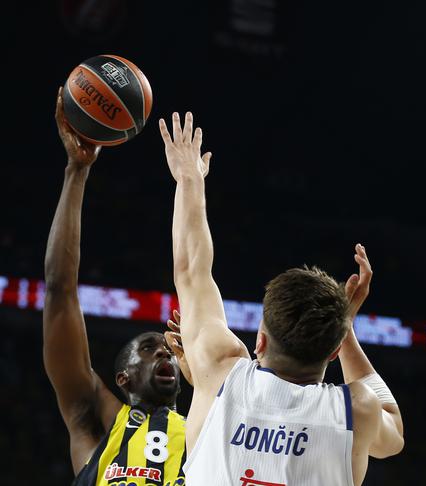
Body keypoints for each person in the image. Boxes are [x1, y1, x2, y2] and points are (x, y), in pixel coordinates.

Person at [159, 111, 405, 486]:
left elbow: (191, 270)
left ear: (259, 340)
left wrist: (189, 180)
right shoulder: (357, 409)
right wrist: (345, 327)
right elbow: (395, 431)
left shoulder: (220, 368)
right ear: (334, 350)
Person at [44, 89, 193, 486]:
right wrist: (77, 170)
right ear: (122, 378)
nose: (165, 351)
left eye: (165, 348)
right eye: (148, 348)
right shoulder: (95, 421)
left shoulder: (207, 432)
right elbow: (60, 291)